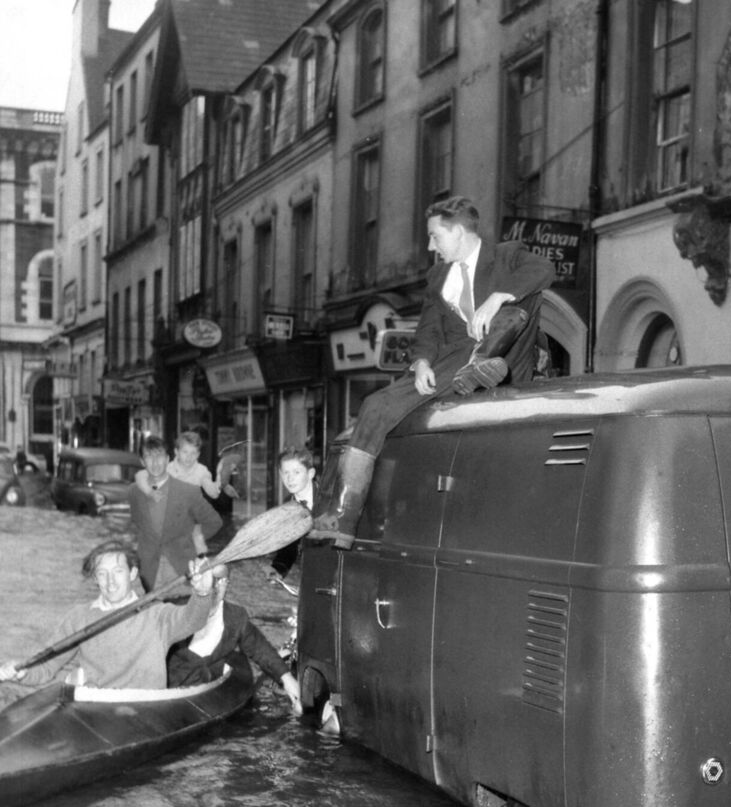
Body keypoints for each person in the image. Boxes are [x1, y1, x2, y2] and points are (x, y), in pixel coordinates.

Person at [310, 196, 554, 549]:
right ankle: (344, 516)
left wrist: (499, 295)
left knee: (519, 305)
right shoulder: (438, 276)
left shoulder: (508, 255)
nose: (430, 246)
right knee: (375, 406)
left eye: (435, 236)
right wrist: (422, 362)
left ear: (457, 232)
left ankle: (482, 364)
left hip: (508, 351)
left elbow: (544, 270)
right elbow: (428, 330)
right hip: (452, 361)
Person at [0, 541, 217, 690]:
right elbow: (46, 668)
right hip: (97, 710)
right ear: (95, 579)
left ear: (132, 574)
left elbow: (193, 619)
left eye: (118, 572)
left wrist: (203, 591)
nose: (110, 582)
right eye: (102, 574)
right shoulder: (79, 617)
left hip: (146, 708)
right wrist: (20, 673)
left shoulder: (155, 613)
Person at [167, 562, 302, 713]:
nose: (215, 586)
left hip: (207, 693)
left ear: (226, 584)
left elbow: (260, 649)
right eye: (210, 580)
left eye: (221, 581)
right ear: (195, 583)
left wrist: (287, 679)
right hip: (169, 691)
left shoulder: (235, 617)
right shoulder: (173, 613)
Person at [129, 434, 223, 592]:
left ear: (167, 459)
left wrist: (193, 536)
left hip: (181, 568)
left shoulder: (197, 479)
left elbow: (214, 520)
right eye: (149, 457)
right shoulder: (135, 491)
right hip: (149, 571)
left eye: (159, 458)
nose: (155, 462)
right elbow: (138, 521)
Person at [269, 445, 316, 585]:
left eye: (296, 472)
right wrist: (277, 570)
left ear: (310, 473)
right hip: (309, 574)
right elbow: (289, 544)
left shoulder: (328, 499)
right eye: (286, 473)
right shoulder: (287, 506)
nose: (290, 479)